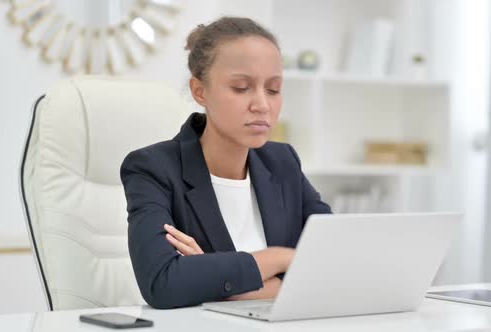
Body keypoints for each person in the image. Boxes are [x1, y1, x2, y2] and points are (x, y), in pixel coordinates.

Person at [120, 16, 332, 309]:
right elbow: (163, 283)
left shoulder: (282, 162)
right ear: (200, 91)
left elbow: (333, 260)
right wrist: (281, 259)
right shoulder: (152, 168)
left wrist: (214, 280)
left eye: (273, 89)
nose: (262, 104)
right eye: (241, 87)